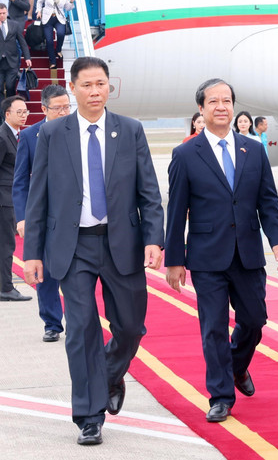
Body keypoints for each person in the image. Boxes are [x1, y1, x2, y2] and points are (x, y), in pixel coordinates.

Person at [22, 57, 164, 446]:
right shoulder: (53, 134)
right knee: (81, 330)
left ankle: (108, 374)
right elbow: (39, 197)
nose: (96, 91)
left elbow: (148, 192)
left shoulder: (130, 130)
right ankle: (89, 414)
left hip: (123, 242)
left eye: (102, 84)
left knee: (132, 326)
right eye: (87, 85)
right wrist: (32, 251)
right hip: (73, 246)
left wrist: (155, 238)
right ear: (73, 87)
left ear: (108, 87)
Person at [165, 78, 278, 423]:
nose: (222, 106)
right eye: (214, 101)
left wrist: (277, 238)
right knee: (214, 328)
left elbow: (268, 200)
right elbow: (176, 212)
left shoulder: (253, 149)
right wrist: (175, 260)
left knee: (255, 320)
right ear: (201, 109)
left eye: (227, 100)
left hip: (248, 253)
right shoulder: (186, 154)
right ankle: (220, 396)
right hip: (206, 256)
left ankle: (236, 364)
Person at [11, 85, 71, 331]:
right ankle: (51, 323)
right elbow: (20, 182)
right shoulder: (29, 137)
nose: (64, 112)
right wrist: (23, 217)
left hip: (74, 215)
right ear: (44, 108)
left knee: (75, 273)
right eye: (58, 108)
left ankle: (78, 323)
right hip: (45, 217)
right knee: (45, 272)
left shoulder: (79, 131)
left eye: (67, 107)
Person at [0, 95, 30, 302]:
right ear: (7, 114)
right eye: (19, 112)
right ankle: (6, 288)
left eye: (25, 112)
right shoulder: (2, 137)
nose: (24, 116)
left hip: (9, 197)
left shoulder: (17, 135)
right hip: (4, 199)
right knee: (6, 245)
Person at [35, 0, 75, 69]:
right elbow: (39, 2)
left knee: (61, 34)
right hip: (47, 18)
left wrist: (71, 2)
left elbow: (67, 8)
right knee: (49, 41)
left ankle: (58, 50)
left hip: (59, 18)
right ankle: (52, 61)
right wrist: (39, 11)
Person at [0, 3, 32, 99]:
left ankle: (10, 107)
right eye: (0, 13)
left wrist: (27, 57)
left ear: (7, 13)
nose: (2, 15)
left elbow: (22, 42)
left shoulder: (14, 25)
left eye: (3, 13)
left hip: (12, 61)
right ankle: (2, 113)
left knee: (10, 86)